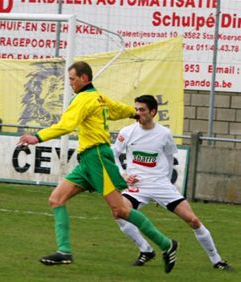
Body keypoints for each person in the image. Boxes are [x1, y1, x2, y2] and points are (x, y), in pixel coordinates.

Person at [18, 61, 178, 273]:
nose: (70, 83)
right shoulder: (98, 97)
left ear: (84, 78)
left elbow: (66, 125)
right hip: (87, 160)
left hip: (97, 157)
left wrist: (37, 137)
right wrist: (133, 113)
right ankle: (64, 251)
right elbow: (116, 109)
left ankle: (167, 244)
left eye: (72, 79)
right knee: (56, 199)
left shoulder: (83, 99)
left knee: (120, 209)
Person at [112, 95, 232, 271]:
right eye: (136, 109)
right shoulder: (127, 132)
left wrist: (167, 183)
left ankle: (217, 260)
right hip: (137, 187)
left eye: (142, 109)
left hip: (161, 185)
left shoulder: (164, 134)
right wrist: (123, 174)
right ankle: (146, 250)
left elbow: (169, 159)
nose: (138, 113)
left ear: (153, 112)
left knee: (193, 220)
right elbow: (114, 154)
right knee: (118, 212)